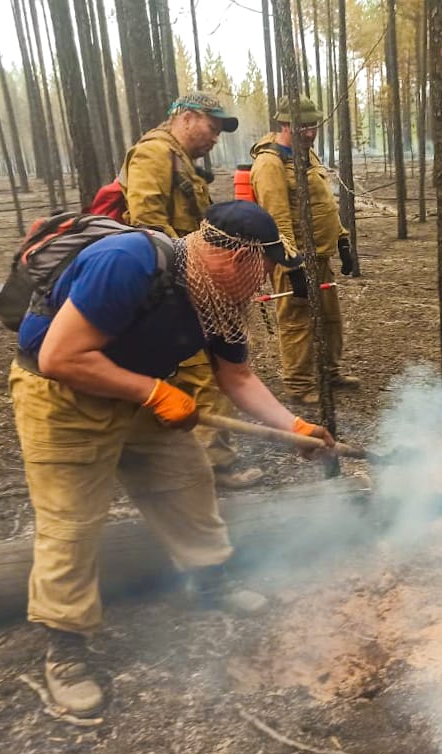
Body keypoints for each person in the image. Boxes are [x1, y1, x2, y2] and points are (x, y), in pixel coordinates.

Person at [11, 201, 335, 716]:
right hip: (64, 396)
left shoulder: (219, 301)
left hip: (140, 390)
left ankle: (208, 580)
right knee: (70, 524)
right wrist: (154, 393)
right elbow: (59, 357)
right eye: (263, 266)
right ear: (230, 257)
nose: (265, 280)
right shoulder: (128, 262)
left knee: (187, 480)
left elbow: (238, 377)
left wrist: (291, 427)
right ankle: (66, 646)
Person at [120, 91, 262, 488]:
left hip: (190, 283)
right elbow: (145, 225)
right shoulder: (152, 155)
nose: (216, 137)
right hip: (176, 287)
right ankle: (210, 473)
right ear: (185, 117)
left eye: (219, 131)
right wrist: (196, 264)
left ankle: (207, 466)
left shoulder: (180, 160)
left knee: (208, 375)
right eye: (211, 126)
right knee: (201, 376)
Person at [249, 97, 360, 406]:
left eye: (313, 125)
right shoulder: (270, 163)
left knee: (329, 317)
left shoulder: (305, 153)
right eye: (303, 126)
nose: (310, 132)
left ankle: (329, 370)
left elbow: (321, 201)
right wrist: (291, 263)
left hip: (320, 255)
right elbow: (276, 218)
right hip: (293, 259)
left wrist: (342, 240)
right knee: (298, 321)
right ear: (284, 125)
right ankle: (299, 384)